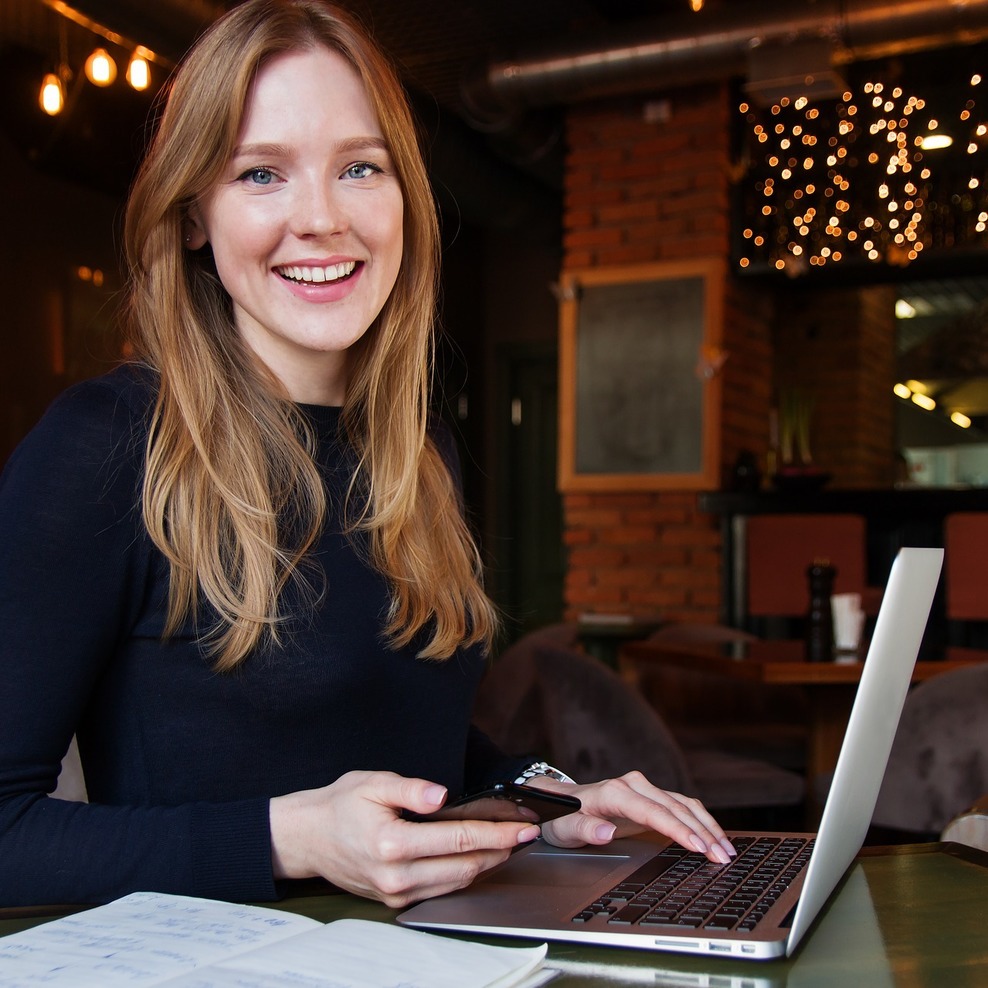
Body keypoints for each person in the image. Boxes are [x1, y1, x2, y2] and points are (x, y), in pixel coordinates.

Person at [0, 0, 735, 909]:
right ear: (194, 215)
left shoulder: (416, 447)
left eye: (359, 168)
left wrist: (544, 799)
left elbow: (400, 746)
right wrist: (286, 840)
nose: (321, 219)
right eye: (261, 174)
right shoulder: (103, 447)